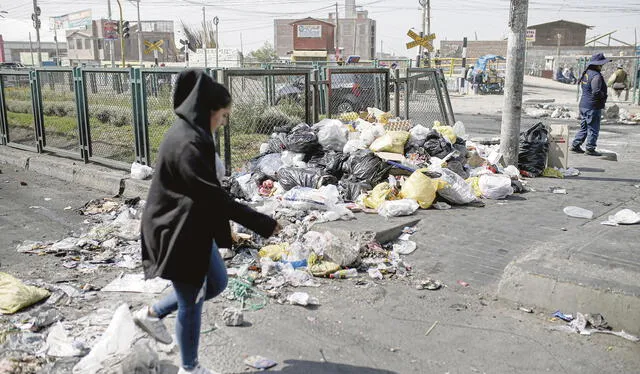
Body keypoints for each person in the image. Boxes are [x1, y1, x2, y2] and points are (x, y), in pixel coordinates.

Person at [134, 69, 280, 374]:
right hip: (175, 230)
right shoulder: (188, 142)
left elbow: (208, 195)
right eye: (224, 115)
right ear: (208, 111)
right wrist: (263, 223)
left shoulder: (195, 134)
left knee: (216, 282)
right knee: (193, 297)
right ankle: (191, 368)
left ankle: (152, 314)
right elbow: (213, 198)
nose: (224, 122)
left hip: (191, 227)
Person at [570, 53, 611, 156]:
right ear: (598, 65)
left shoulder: (587, 73)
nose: (602, 66)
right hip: (592, 106)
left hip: (584, 105)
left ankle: (576, 145)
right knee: (593, 127)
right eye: (602, 64)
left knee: (584, 127)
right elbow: (596, 91)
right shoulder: (596, 76)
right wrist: (604, 96)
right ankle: (590, 148)